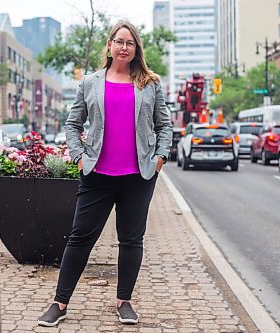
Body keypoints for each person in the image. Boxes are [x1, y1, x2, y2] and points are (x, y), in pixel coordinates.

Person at [37, 20, 172, 327]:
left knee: (131, 240)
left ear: (136, 49)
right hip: (97, 174)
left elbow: (164, 125)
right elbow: (72, 124)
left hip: (138, 177)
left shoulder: (149, 83)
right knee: (79, 238)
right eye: (119, 41)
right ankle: (60, 304)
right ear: (110, 45)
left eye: (130, 42)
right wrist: (78, 156)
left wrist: (160, 157)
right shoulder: (90, 82)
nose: (124, 47)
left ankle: (124, 301)